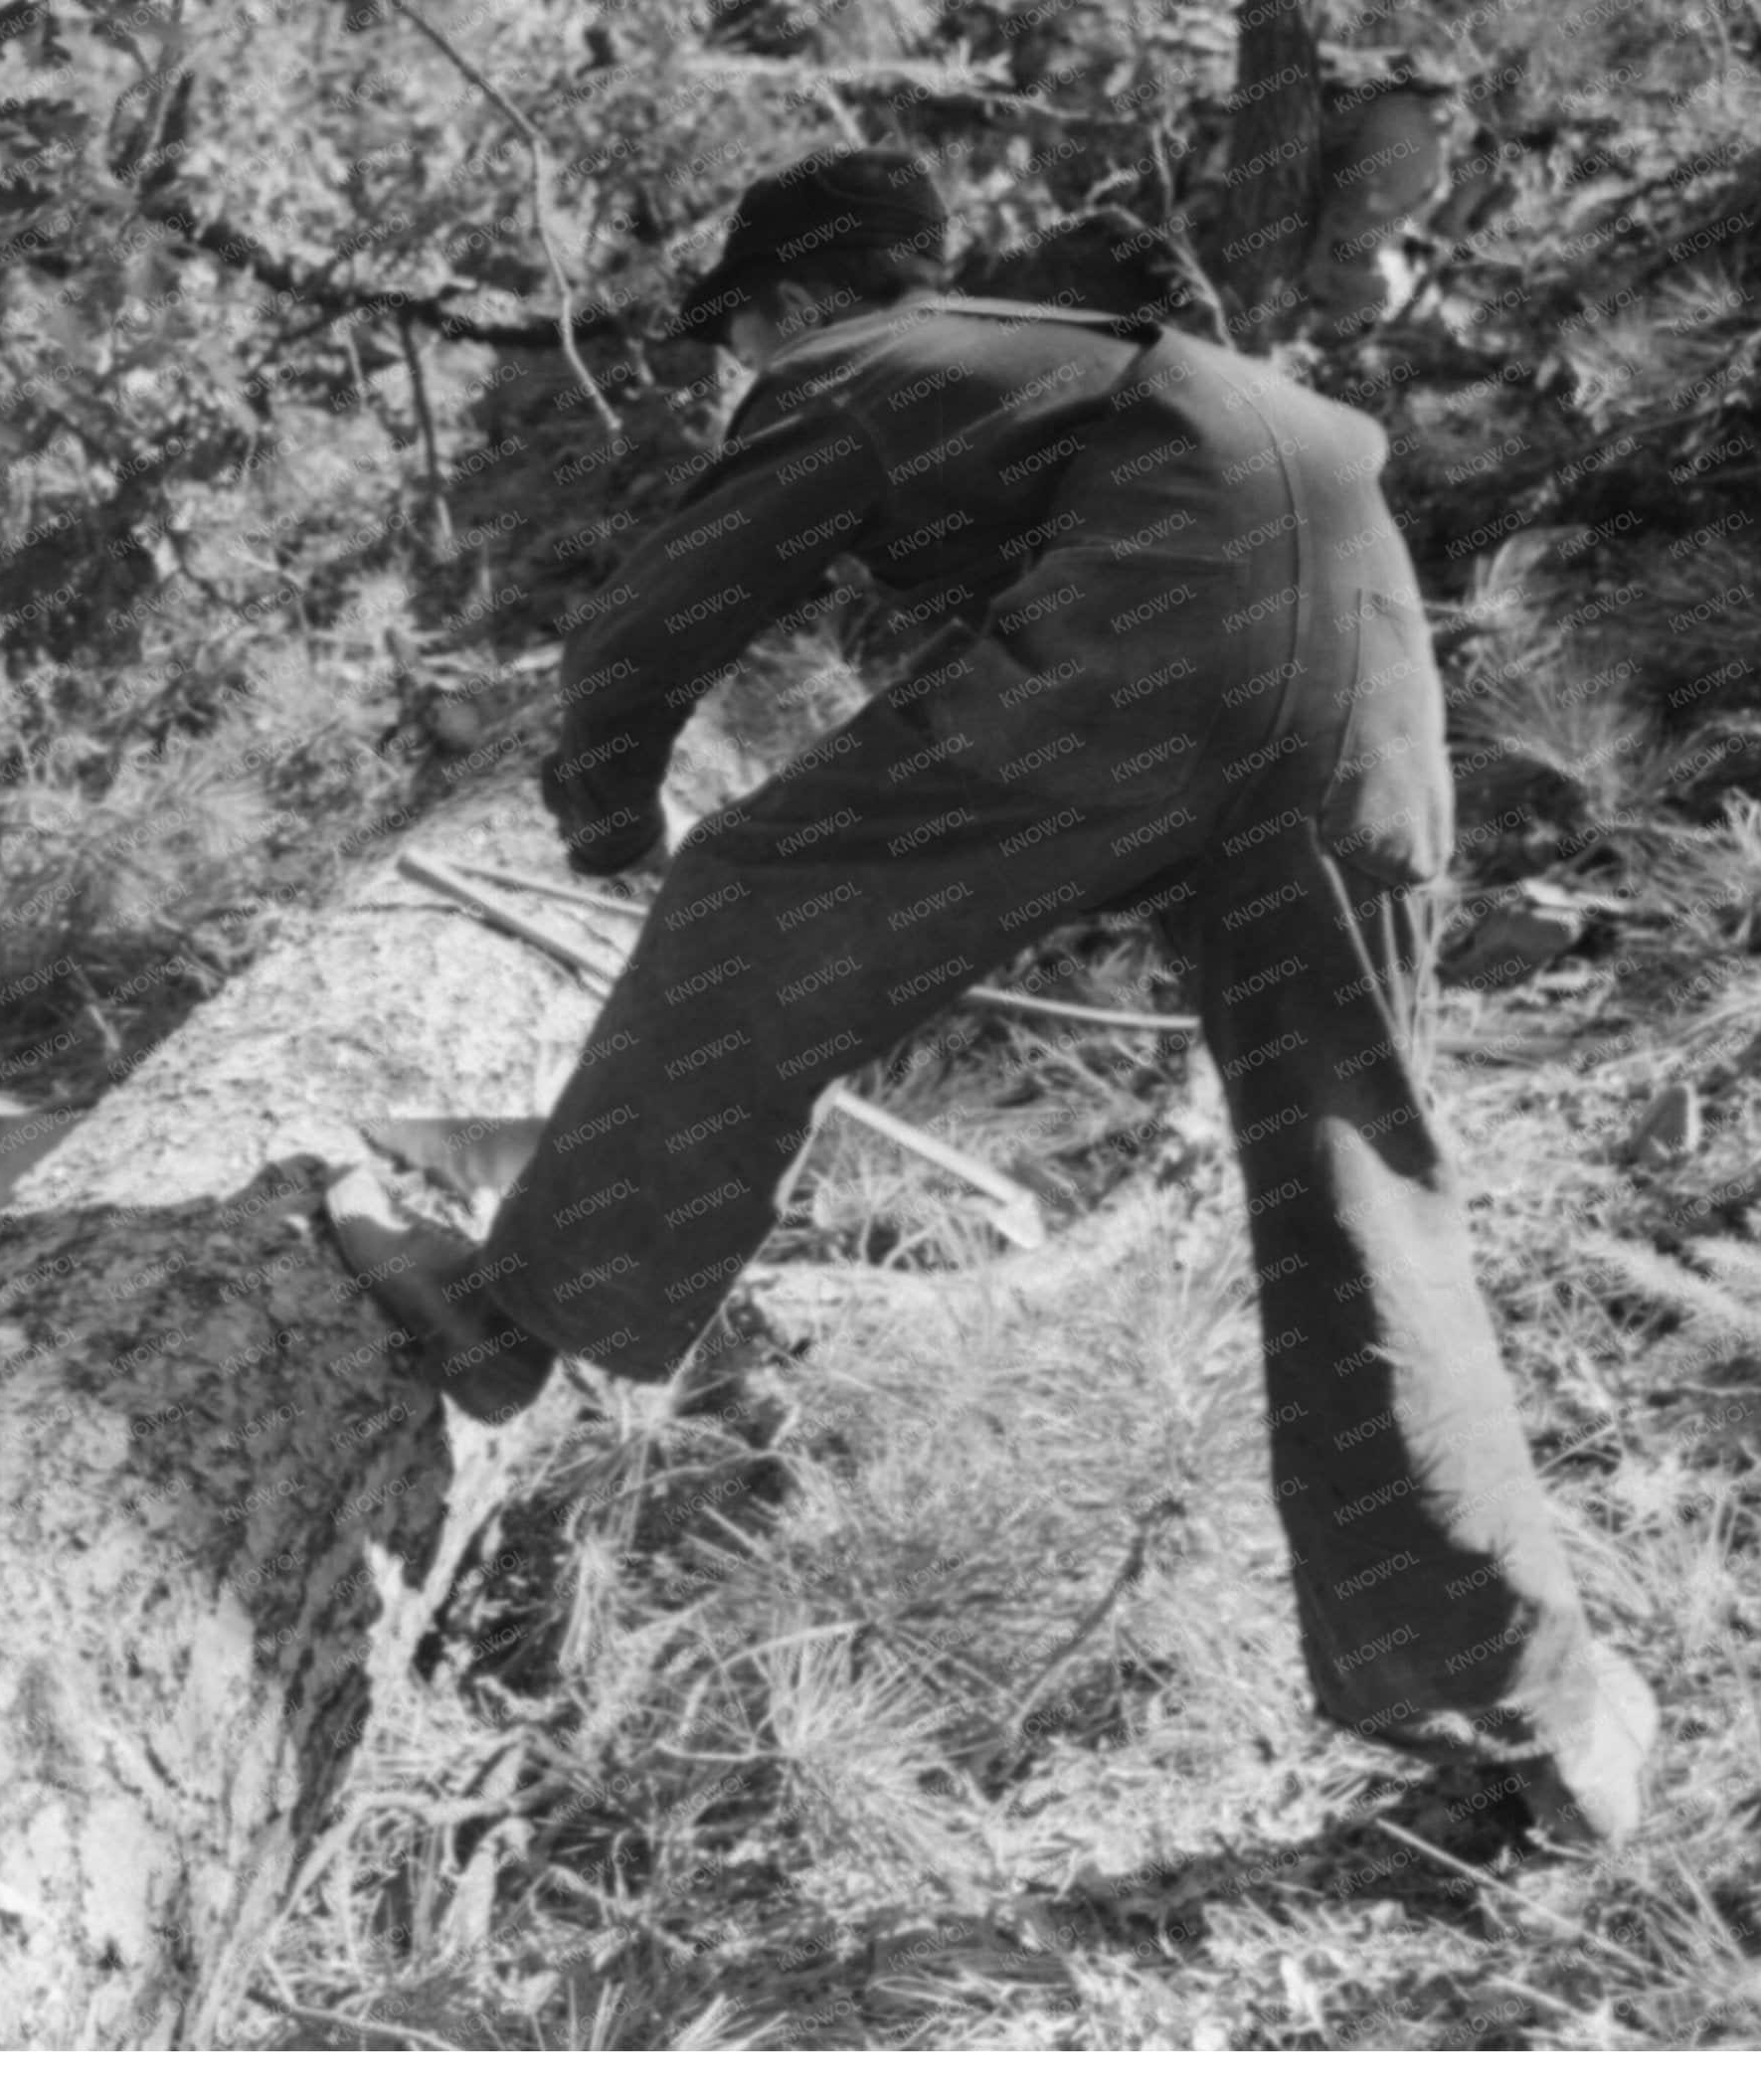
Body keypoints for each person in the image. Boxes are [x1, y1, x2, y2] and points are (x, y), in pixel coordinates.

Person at [331, 149, 1659, 1846]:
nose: (741, 369)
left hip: (1164, 643)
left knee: (752, 893)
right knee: (1356, 1171)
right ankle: (1531, 1697)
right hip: (1361, 695)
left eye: (735, 336)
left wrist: (607, 816)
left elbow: (654, 621)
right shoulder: (1073, 363)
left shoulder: (853, 365)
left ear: (794, 303)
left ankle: (515, 1312)